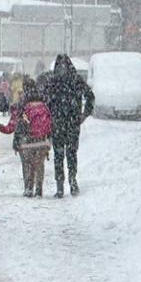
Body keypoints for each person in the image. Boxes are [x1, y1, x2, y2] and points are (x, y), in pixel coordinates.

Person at [45, 54, 95, 198]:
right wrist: (84, 114)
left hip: (59, 124)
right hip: (71, 123)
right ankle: (72, 182)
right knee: (71, 154)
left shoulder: (53, 82)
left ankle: (61, 186)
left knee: (60, 155)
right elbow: (90, 96)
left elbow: (46, 101)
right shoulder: (75, 79)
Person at [0, 77, 53, 197]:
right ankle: (39, 189)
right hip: (42, 140)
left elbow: (11, 127)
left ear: (24, 88)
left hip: (26, 141)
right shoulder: (44, 103)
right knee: (39, 165)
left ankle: (28, 188)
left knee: (27, 164)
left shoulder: (20, 105)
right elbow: (50, 123)